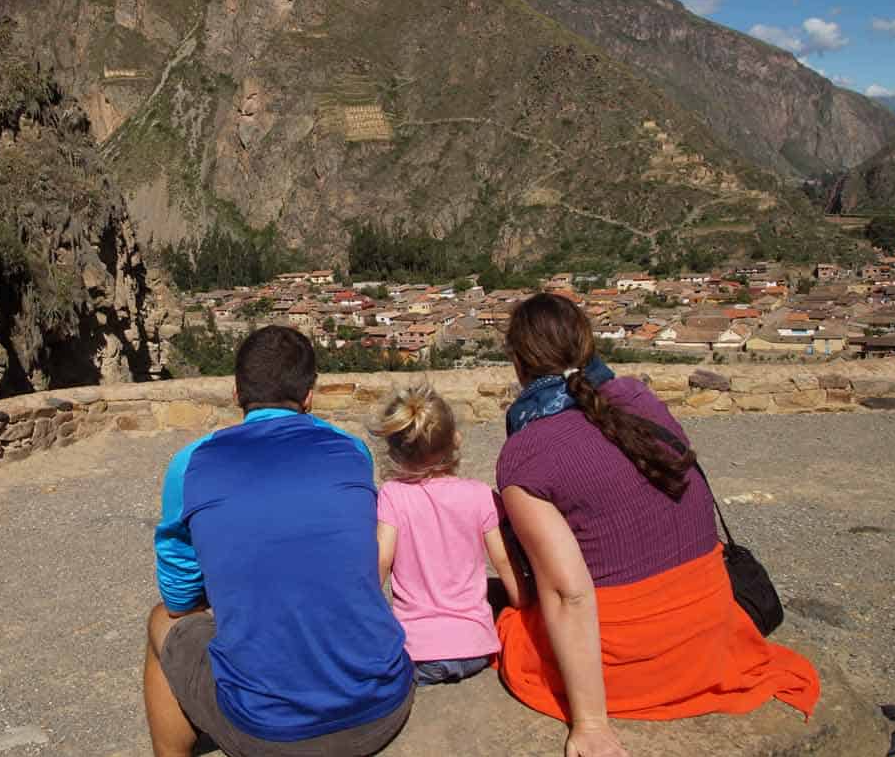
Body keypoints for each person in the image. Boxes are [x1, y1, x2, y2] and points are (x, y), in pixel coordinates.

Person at [493, 293, 820, 757]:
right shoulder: (638, 397)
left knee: (510, 630)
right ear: (588, 342)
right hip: (710, 630)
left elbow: (570, 593)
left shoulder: (526, 454)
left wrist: (590, 724)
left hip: (630, 654)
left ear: (518, 361)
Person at [143, 325, 414, 757]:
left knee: (163, 621)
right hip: (383, 707)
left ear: (236, 393)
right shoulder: (352, 452)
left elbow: (178, 596)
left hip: (270, 733)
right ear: (310, 394)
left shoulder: (191, 465)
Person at [372, 381, 520, 686]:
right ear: (455, 439)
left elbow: (382, 562)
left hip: (417, 652)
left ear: (395, 451)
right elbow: (504, 562)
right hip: (476, 648)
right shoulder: (480, 495)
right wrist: (524, 605)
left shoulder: (393, 496)